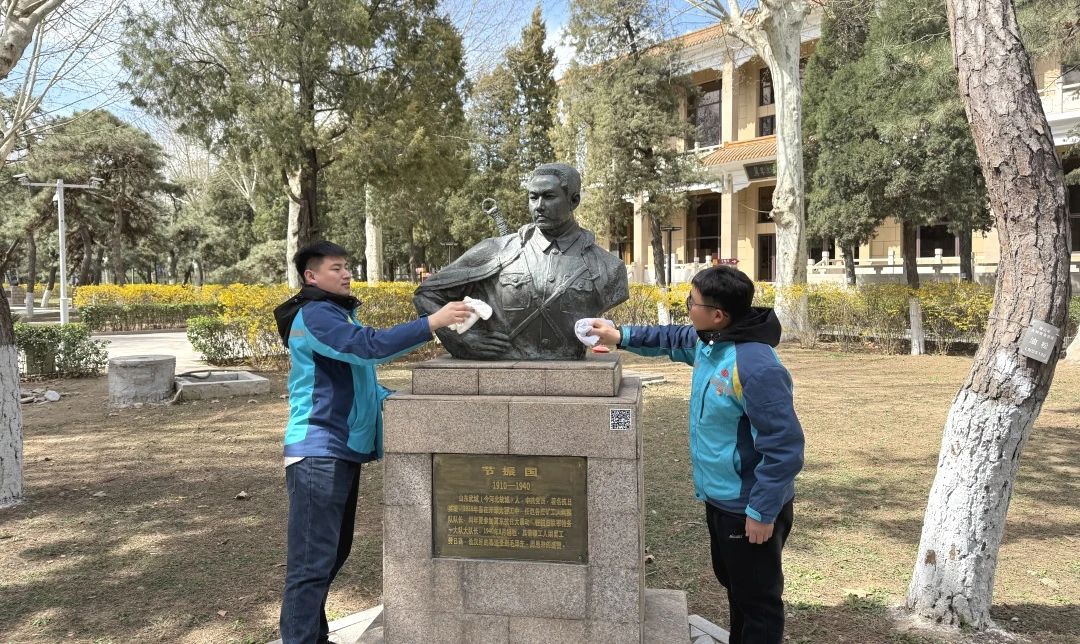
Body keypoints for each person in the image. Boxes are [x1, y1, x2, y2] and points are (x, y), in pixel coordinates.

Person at [586, 265, 804, 644]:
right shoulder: (711, 341)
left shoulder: (755, 366)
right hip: (720, 499)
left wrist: (761, 512)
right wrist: (618, 335)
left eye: (692, 302)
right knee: (737, 589)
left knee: (758, 604)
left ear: (717, 315)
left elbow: (784, 447)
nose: (687, 308)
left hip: (748, 508)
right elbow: (671, 338)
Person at [272, 240, 472, 644]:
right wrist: (433, 322)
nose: (346, 274)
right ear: (311, 276)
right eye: (335, 268)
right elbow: (368, 348)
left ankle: (313, 636)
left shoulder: (335, 314)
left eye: (346, 266)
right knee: (312, 562)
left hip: (338, 451)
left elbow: (363, 385)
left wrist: (416, 403)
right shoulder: (316, 315)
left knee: (330, 553)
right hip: (317, 451)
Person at [414, 163, 628, 360]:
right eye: (533, 197)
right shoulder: (497, 250)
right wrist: (463, 339)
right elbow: (426, 295)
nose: (539, 206)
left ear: (574, 200)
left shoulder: (608, 267)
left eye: (549, 196)